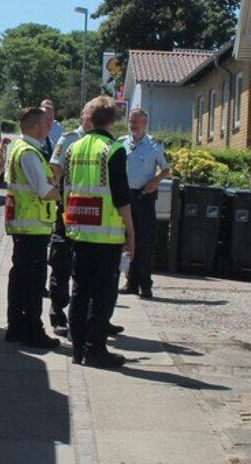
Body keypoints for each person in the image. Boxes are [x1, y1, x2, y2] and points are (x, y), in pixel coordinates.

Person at [64, 96, 135, 367]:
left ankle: (78, 348)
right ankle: (96, 349)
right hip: (106, 234)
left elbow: (66, 191)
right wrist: (131, 233)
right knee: (102, 294)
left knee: (79, 291)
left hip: (79, 230)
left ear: (89, 119)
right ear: (113, 121)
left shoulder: (74, 148)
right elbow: (121, 197)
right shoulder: (114, 150)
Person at [49, 103, 124, 338]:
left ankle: (97, 321)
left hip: (94, 218)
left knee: (90, 280)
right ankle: (60, 316)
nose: (87, 118)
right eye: (85, 114)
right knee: (63, 267)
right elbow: (55, 169)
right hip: (72, 212)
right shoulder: (71, 140)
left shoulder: (108, 144)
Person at [3, 106, 61, 350]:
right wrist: (66, 197)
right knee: (33, 282)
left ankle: (16, 326)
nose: (49, 126)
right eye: (46, 123)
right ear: (37, 127)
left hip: (24, 225)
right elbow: (44, 191)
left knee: (19, 278)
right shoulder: (29, 153)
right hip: (33, 227)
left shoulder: (19, 147)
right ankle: (32, 330)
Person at [121, 108, 170, 299]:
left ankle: (145, 283)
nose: (133, 125)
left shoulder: (155, 145)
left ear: (145, 123)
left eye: (137, 122)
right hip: (126, 197)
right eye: (131, 121)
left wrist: (155, 181)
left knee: (145, 242)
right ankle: (130, 281)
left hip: (144, 196)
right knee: (127, 241)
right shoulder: (121, 143)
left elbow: (166, 169)